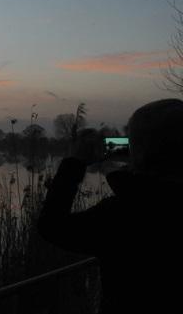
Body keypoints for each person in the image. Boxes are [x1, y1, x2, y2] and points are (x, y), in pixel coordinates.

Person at [38, 99, 183, 313]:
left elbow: (52, 226)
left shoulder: (123, 214)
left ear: (138, 150)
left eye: (130, 140)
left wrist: (75, 163)